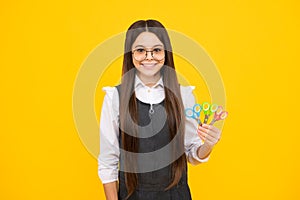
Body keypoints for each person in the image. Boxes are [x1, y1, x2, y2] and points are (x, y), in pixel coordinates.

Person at [98, 19, 222, 200]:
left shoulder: (184, 95)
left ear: (166, 53)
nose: (149, 57)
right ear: (130, 54)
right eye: (140, 50)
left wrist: (208, 145)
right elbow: (108, 163)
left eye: (156, 50)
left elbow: (192, 154)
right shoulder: (114, 97)